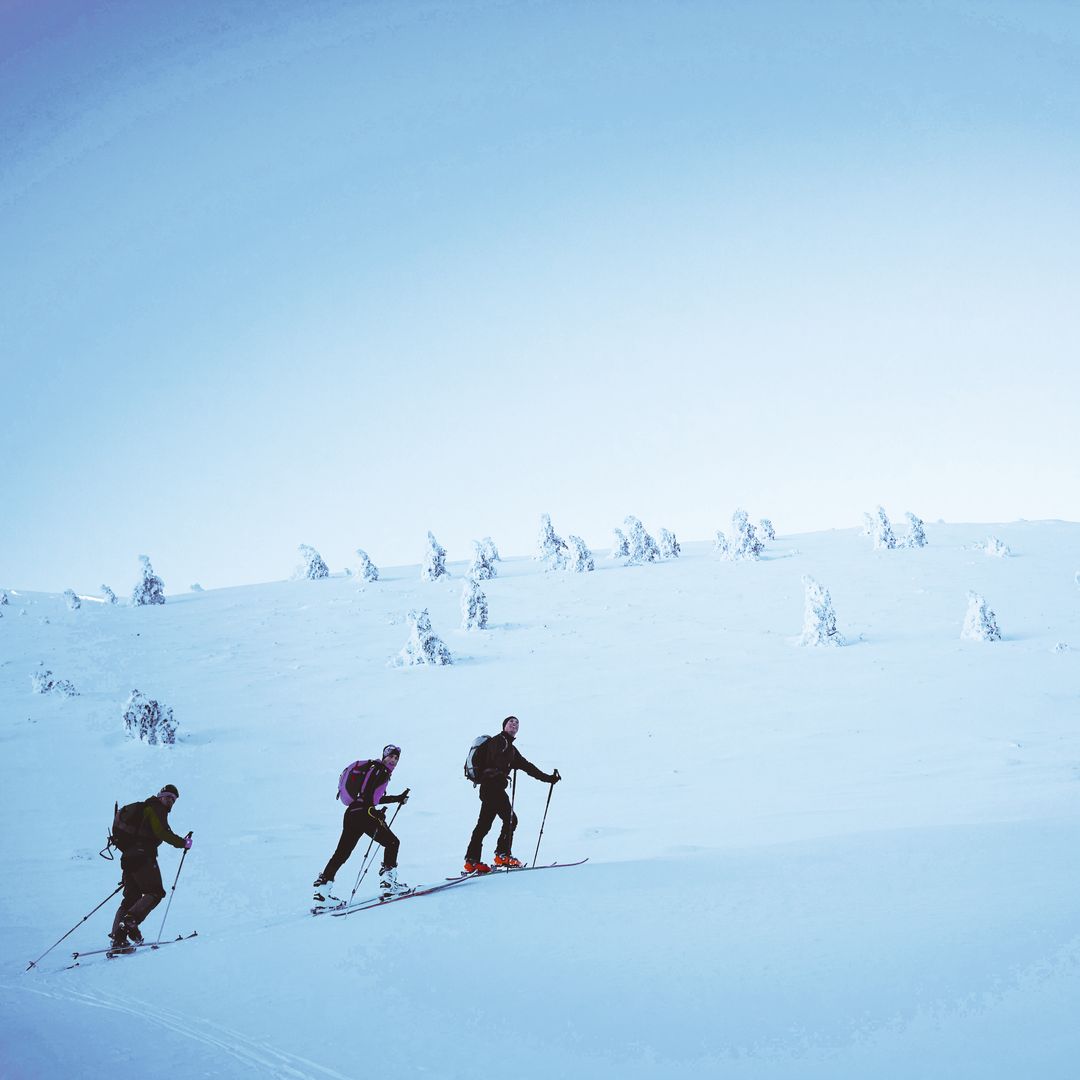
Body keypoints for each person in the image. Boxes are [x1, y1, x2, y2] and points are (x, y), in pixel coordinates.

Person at [464, 716, 559, 874]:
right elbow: (494, 759)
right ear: (504, 726)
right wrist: (505, 767)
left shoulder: (511, 749)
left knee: (485, 825)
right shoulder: (499, 741)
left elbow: (528, 767)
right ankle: (502, 855)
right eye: (511, 722)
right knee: (509, 820)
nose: (514, 724)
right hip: (492, 787)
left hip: (492, 788)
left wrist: (548, 779)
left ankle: (472, 861)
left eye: (517, 723)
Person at [313, 744, 410, 898]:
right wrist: (376, 813)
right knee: (392, 843)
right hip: (364, 814)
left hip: (352, 813)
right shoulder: (381, 771)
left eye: (396, 758)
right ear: (384, 756)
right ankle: (388, 885)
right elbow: (371, 799)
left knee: (341, 853)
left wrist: (396, 798)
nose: (393, 760)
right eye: (391, 756)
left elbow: (369, 796)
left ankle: (322, 893)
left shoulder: (372, 768)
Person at [109, 784, 192, 948]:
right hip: (143, 856)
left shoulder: (144, 809)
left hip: (128, 857)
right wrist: (183, 843)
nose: (170, 802)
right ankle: (131, 921)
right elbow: (161, 832)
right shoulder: (155, 808)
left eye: (173, 800)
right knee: (156, 892)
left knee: (131, 898)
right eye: (168, 797)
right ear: (160, 796)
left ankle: (118, 939)